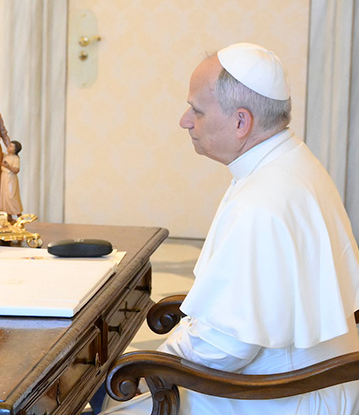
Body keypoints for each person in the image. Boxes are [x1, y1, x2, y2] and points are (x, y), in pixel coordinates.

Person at [103, 43, 359, 414]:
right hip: (304, 375)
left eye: (197, 110)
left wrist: (146, 367)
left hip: (283, 395)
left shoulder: (264, 201)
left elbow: (225, 348)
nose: (184, 121)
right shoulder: (288, 160)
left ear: (241, 122)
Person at [0, 140, 23, 218]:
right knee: (5, 197)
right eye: (9, 145)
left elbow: (16, 170)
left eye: (11, 146)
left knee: (12, 196)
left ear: (15, 149)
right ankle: (8, 216)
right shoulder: (5, 156)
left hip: (11, 179)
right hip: (4, 178)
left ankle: (19, 216)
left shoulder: (16, 158)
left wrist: (8, 166)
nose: (9, 147)